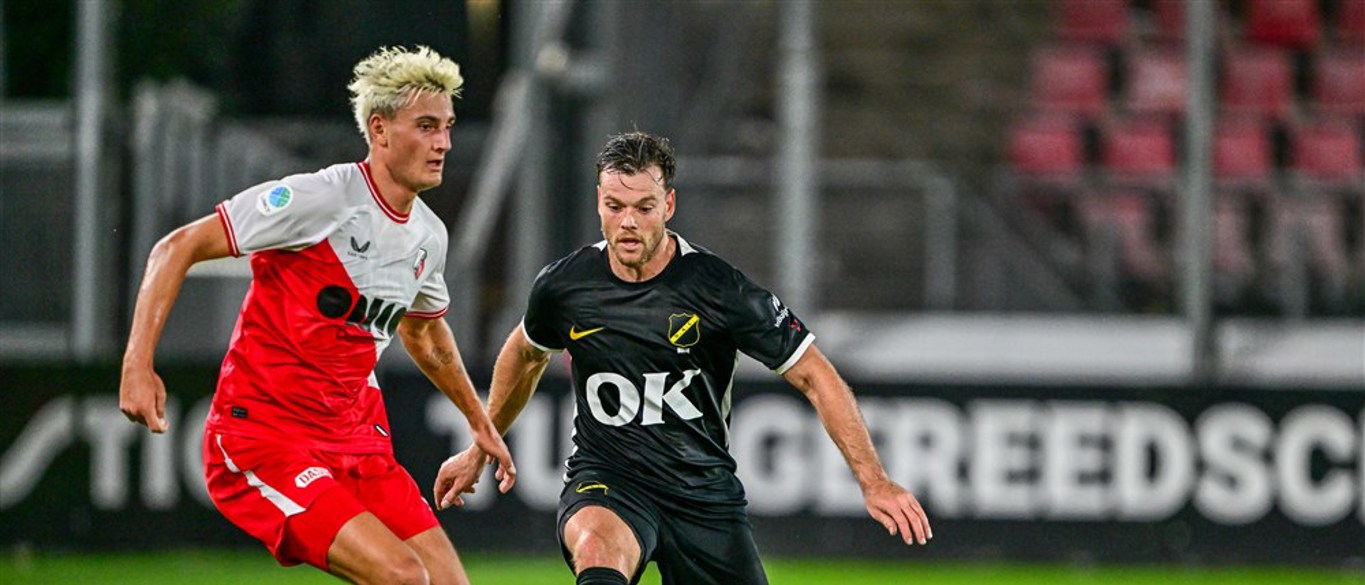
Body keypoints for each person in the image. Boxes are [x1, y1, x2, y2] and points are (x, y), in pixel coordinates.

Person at [433, 131, 931, 585]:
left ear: (669, 204)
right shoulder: (564, 286)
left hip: (702, 494)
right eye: (615, 206)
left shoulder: (720, 289)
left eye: (644, 207)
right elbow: (525, 353)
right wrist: (480, 447)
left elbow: (815, 375)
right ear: (598, 202)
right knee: (597, 550)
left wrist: (874, 481)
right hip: (608, 479)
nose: (628, 222)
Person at [118, 45, 515, 585]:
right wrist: (137, 364)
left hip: (357, 438)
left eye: (447, 127)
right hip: (267, 437)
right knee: (403, 576)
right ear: (379, 130)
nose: (443, 143)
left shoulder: (429, 235)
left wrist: (478, 421)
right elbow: (176, 247)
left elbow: (423, 332)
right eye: (426, 126)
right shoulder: (320, 199)